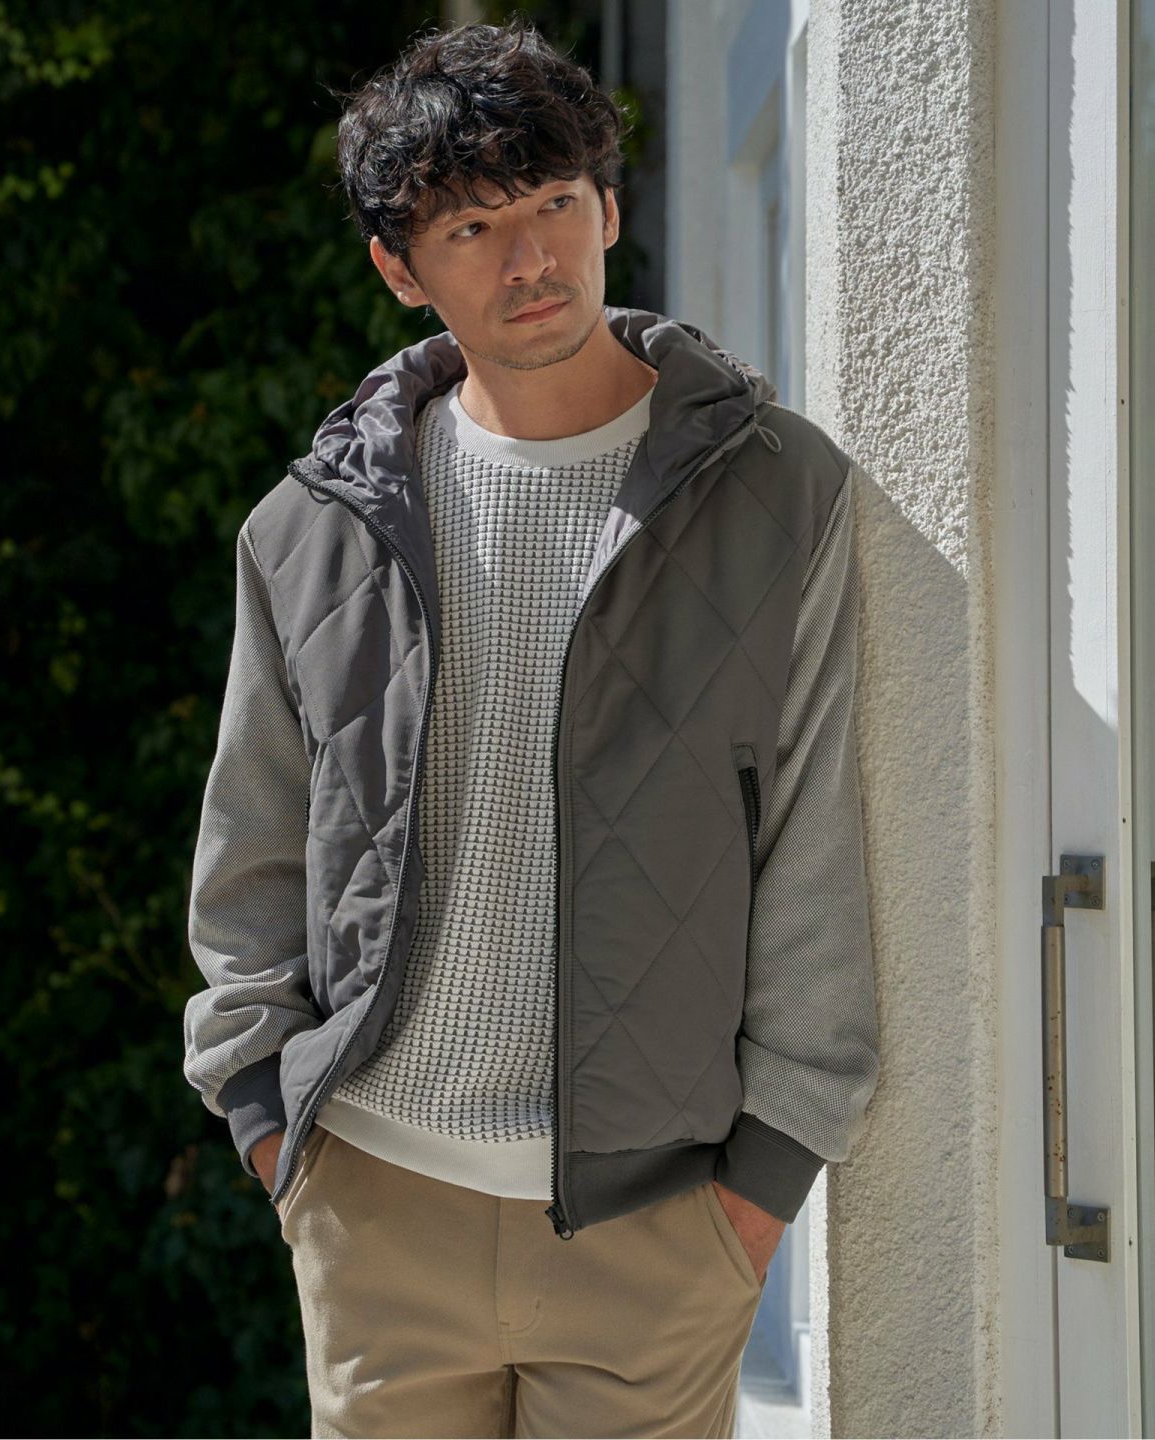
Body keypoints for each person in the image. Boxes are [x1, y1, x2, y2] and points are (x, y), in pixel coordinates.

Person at [181, 16, 879, 1439]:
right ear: (400, 269)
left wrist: (758, 1191)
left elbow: (814, 836)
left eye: (556, 202)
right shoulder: (310, 529)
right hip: (377, 1215)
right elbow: (250, 849)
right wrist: (270, 1125)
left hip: (656, 1232)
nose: (532, 260)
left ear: (609, 206)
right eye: (473, 227)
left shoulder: (776, 490)